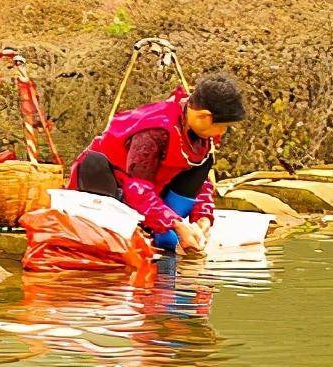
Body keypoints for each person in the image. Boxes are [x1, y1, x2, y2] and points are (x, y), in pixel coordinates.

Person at [70, 71, 246, 253]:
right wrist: (176, 224)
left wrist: (203, 217)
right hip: (113, 183)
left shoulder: (200, 135)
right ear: (204, 116)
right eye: (222, 126)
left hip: (153, 190)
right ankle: (153, 229)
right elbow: (137, 189)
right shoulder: (155, 132)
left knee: (202, 167)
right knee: (121, 239)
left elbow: (200, 182)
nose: (222, 133)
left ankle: (161, 232)